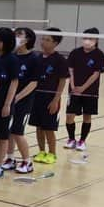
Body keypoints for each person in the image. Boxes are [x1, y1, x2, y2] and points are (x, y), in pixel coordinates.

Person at [64, 28, 104, 151]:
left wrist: (82, 88)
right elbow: (70, 69)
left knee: (87, 116)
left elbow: (96, 74)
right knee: (69, 116)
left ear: (96, 40)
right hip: (74, 91)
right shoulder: (75, 53)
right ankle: (71, 139)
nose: (87, 41)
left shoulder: (99, 55)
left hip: (90, 92)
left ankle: (82, 141)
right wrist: (72, 85)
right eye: (85, 38)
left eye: (91, 38)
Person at [31, 28, 69, 164]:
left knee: (49, 128)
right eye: (43, 39)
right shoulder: (37, 58)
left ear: (55, 43)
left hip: (51, 99)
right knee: (38, 127)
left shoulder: (60, 60)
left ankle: (52, 153)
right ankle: (41, 151)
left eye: (47, 40)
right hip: (36, 98)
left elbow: (62, 81)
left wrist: (55, 100)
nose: (43, 42)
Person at [7, 27, 39, 174]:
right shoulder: (12, 57)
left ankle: (27, 161)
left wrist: (18, 97)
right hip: (10, 100)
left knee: (18, 132)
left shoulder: (34, 58)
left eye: (19, 35)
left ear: (28, 40)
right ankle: (10, 158)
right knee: (9, 131)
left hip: (24, 102)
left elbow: (34, 83)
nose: (16, 37)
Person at [0, 28, 19, 178]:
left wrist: (7, 104)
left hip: (3, 104)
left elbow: (14, 83)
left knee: (2, 136)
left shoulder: (12, 59)